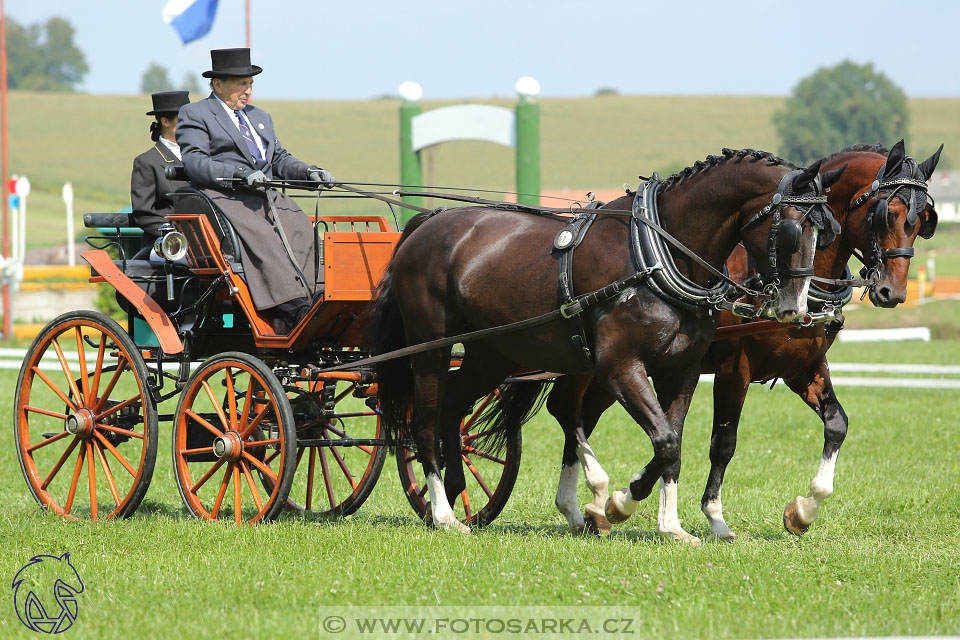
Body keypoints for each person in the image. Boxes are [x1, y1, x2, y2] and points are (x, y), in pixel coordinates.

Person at [176, 47, 336, 334]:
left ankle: (315, 296)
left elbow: (278, 159)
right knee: (262, 235)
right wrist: (240, 174)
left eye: (250, 84)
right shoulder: (196, 113)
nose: (248, 91)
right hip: (224, 196)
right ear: (218, 84)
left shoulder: (260, 117)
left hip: (265, 195)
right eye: (241, 84)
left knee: (300, 224)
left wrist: (310, 173)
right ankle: (290, 305)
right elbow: (195, 161)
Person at [130, 90, 191, 250]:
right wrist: (175, 234)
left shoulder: (202, 157)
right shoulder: (147, 162)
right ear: (165, 121)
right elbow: (144, 213)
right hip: (166, 243)